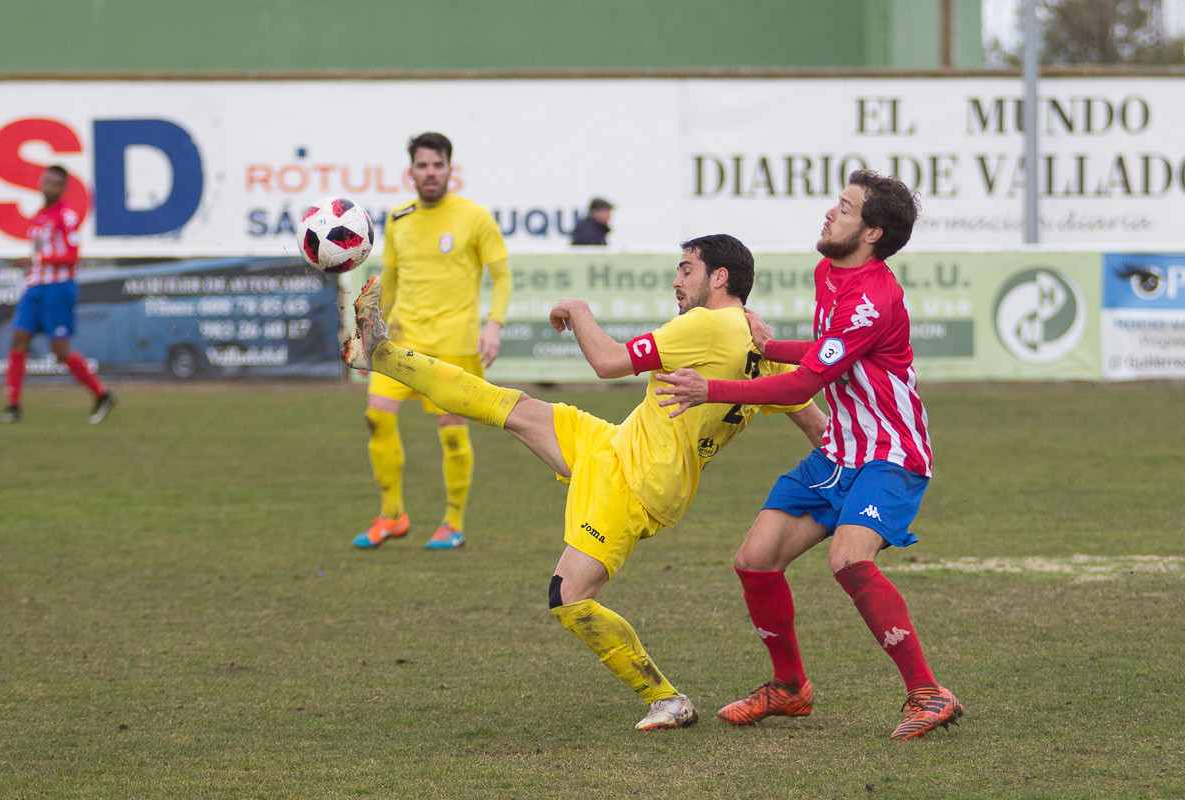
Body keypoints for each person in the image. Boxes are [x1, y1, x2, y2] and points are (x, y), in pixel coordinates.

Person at [342, 233, 828, 730]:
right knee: (511, 407)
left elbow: (607, 362)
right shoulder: (761, 346)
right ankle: (380, 353)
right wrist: (862, 475)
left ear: (719, 278)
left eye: (686, 270)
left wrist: (576, 308)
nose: (677, 281)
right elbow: (817, 426)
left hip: (635, 481)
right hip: (618, 445)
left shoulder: (706, 325)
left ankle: (667, 699)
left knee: (568, 597)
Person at [655, 171, 963, 740]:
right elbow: (827, 350)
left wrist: (711, 388)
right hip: (840, 448)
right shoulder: (829, 272)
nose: (830, 213)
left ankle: (927, 692)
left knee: (848, 560)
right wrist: (768, 346)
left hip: (890, 452)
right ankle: (790, 688)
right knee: (755, 559)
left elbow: (802, 385)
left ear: (871, 232)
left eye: (844, 209)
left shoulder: (874, 298)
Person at [352, 132, 512, 551]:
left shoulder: (474, 216)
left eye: (437, 165)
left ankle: (453, 522)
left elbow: (502, 276)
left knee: (452, 432)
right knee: (377, 417)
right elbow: (390, 277)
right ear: (411, 172)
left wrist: (493, 325)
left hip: (455, 342)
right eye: (422, 166)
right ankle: (392, 515)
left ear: (449, 169)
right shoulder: (398, 217)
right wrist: (366, 323)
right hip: (403, 338)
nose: (429, 173)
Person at [0, 165, 114, 425]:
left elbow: (71, 257)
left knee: (60, 351)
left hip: (58, 288)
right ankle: (13, 407)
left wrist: (35, 259)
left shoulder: (66, 216)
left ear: (63, 188)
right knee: (18, 340)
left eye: (55, 183)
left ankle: (102, 394)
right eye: (46, 181)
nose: (49, 186)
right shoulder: (39, 215)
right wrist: (33, 264)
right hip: (35, 287)